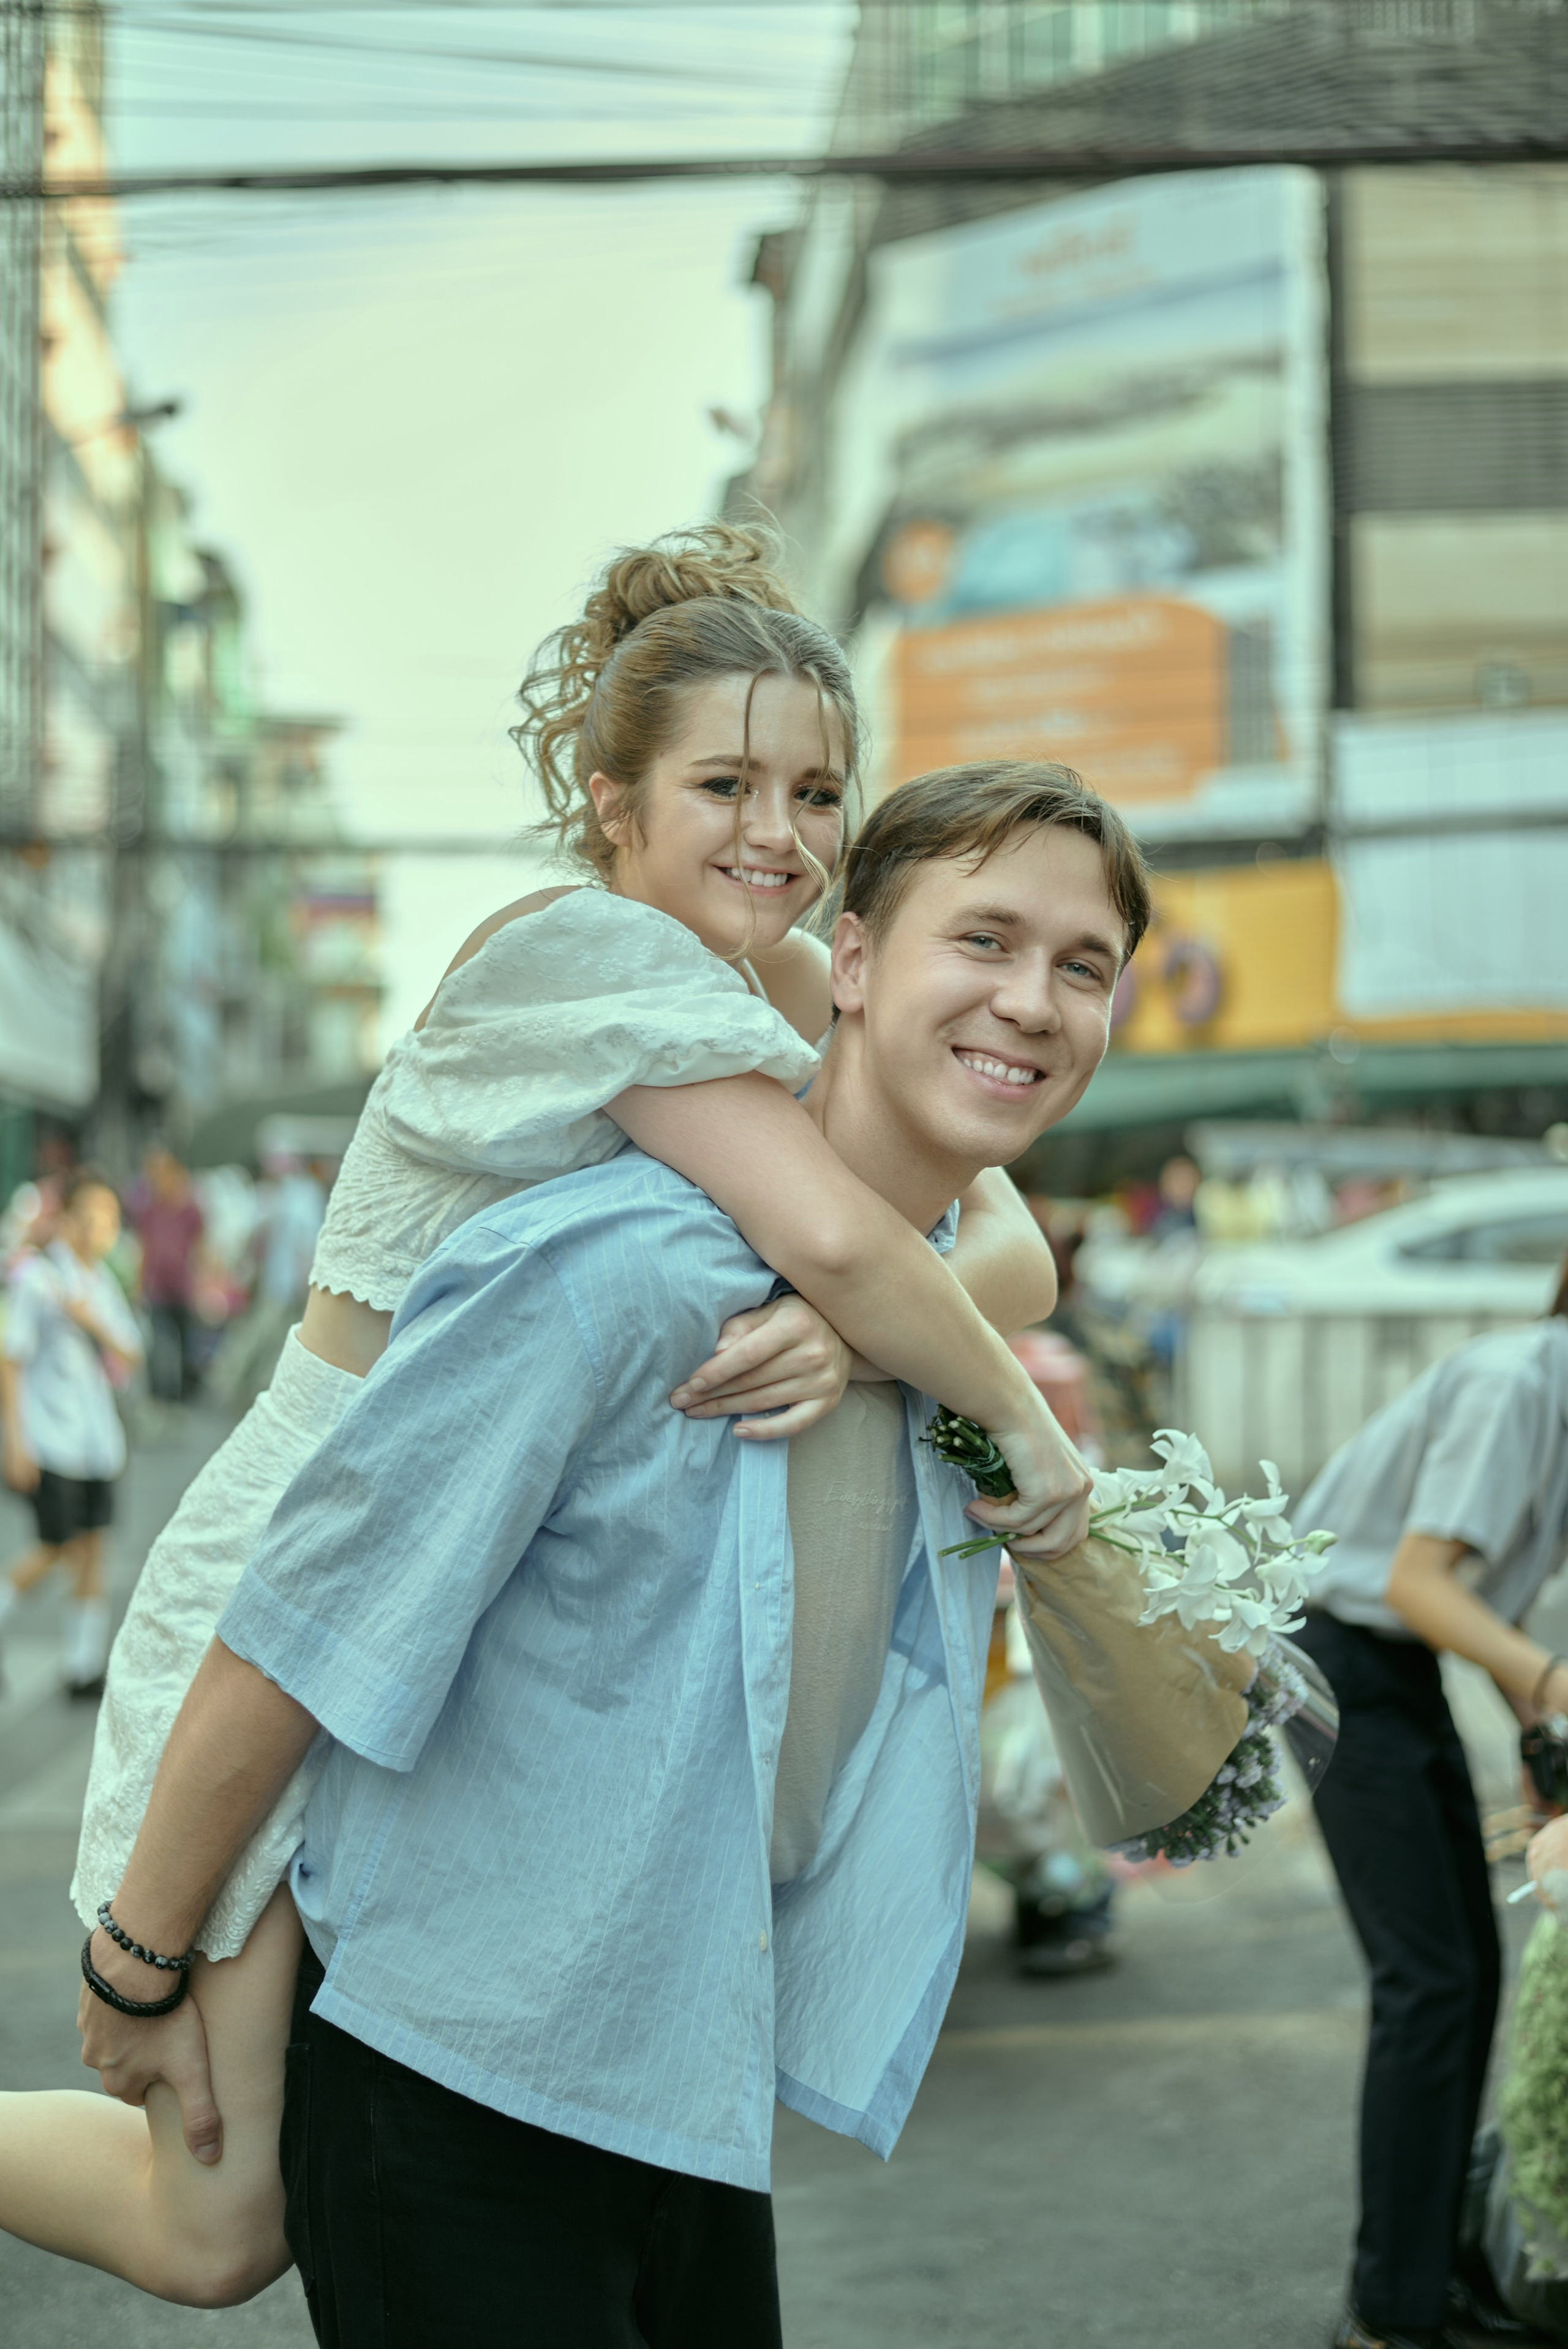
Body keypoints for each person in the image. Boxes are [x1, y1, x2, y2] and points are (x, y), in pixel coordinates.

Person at [0, 529, 1085, 2305]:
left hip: (487, 1588)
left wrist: (858, 1332)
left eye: (818, 791)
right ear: (610, 803)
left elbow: (999, 1242)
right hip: (321, 1543)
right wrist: (1021, 1442)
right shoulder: (575, 950)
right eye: (724, 784)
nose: (781, 835)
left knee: (284, 2192)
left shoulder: (780, 977)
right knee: (218, 2227)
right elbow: (842, 1222)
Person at [1293, 1265, 1568, 2349]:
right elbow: (1416, 1582)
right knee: (1431, 1980)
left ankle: (1430, 2269)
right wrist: (1551, 1687)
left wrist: (1536, 1738)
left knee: (1464, 1974)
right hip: (1341, 1657)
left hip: (1390, 1665)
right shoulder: (1518, 1382)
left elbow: (1479, 1600)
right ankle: (1390, 2317)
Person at [0, 1167, 143, 1699]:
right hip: (49, 1438)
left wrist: (93, 1321)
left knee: (91, 1548)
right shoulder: (38, 1279)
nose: (99, 1230)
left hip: (95, 1444)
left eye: (108, 1220)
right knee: (56, 1546)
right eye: (89, 1218)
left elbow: (132, 1350)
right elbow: (9, 1360)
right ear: (66, 1221)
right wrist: (15, 1439)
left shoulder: (101, 1283)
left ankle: (83, 1665)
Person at [126, 1147, 205, 1404]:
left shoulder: (190, 1211)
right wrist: (139, 1286)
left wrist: (205, 1283)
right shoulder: (148, 1212)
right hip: (157, 1289)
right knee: (159, 1343)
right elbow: (143, 1250)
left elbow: (202, 1248)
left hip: (183, 1288)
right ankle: (161, 1396)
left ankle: (185, 1391)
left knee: (186, 1344)